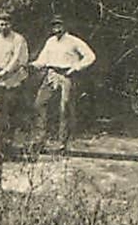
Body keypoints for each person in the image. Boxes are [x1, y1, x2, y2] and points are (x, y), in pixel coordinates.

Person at [31, 16, 96, 148]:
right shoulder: (50, 41)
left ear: (65, 26)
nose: (57, 28)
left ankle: (63, 142)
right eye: (54, 26)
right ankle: (40, 139)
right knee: (39, 103)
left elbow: (90, 56)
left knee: (64, 108)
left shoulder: (74, 41)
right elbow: (43, 60)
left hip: (66, 75)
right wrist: (33, 65)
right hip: (51, 74)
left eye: (59, 25)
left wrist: (76, 67)